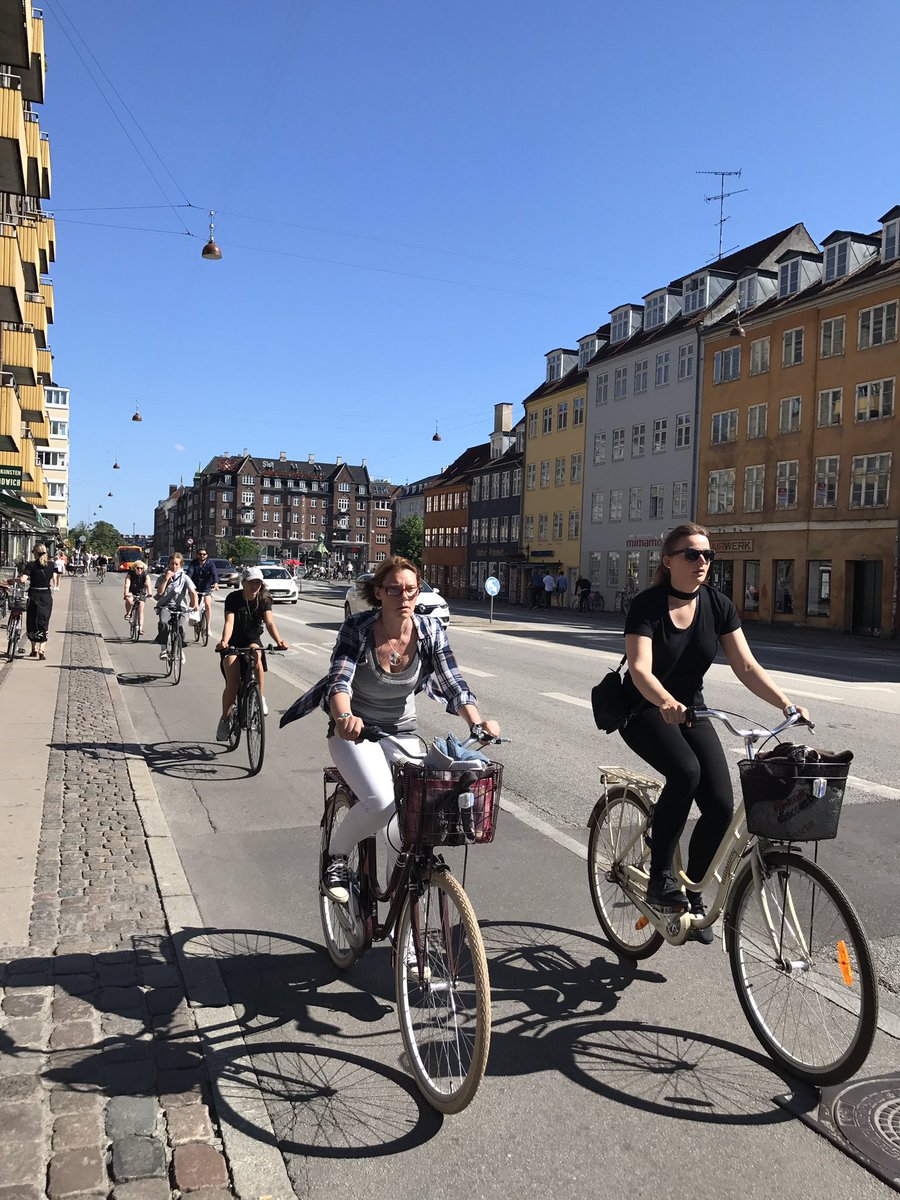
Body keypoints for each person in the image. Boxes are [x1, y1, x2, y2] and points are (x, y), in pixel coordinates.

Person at [620, 522, 810, 942]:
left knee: (722, 807)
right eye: (692, 554)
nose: (702, 561)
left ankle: (692, 892)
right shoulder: (647, 605)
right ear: (668, 561)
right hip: (645, 709)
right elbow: (639, 668)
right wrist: (663, 700)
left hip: (692, 710)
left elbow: (746, 666)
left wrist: (785, 704)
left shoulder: (718, 605)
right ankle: (660, 879)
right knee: (686, 773)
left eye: (707, 555)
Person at [279, 555, 499, 903]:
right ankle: (336, 857)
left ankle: (403, 928)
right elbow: (340, 681)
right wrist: (344, 718)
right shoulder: (359, 629)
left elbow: (454, 682)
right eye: (394, 590)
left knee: (415, 821)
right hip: (356, 733)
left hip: (403, 734)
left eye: (411, 590)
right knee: (381, 802)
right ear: (378, 592)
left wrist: (477, 720)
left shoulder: (429, 631)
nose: (405, 597)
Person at [214, 566, 288, 738]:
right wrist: (224, 641)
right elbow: (229, 622)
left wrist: (279, 641)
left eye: (258, 583)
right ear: (244, 583)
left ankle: (259, 697)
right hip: (232, 642)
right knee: (232, 684)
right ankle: (225, 718)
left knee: (256, 655)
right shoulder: (233, 598)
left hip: (252, 640)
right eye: (252, 582)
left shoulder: (264, 599)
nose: (255, 586)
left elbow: (269, 623)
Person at [154, 553, 199, 663]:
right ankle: (164, 649)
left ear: (181, 565)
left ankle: (179, 650)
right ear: (168, 564)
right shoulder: (162, 577)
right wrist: (166, 578)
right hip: (166, 605)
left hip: (180, 607)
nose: (174, 566)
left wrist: (195, 604)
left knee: (181, 628)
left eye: (177, 564)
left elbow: (193, 592)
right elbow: (159, 593)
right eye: (172, 564)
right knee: (163, 623)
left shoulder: (185, 577)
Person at [19, 542, 55, 659]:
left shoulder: (31, 565)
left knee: (32, 621)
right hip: (46, 596)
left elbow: (23, 580)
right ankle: (41, 650)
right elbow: (53, 579)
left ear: (35, 552)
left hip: (34, 595)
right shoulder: (51, 565)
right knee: (43, 622)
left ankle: (33, 649)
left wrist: (17, 579)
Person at [186, 548, 219, 632]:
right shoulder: (194, 563)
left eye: (204, 554)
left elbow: (214, 573)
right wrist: (188, 585)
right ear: (197, 555)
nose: (202, 556)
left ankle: (208, 627)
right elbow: (189, 574)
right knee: (193, 602)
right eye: (200, 554)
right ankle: (192, 618)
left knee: (208, 604)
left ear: (207, 555)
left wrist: (215, 583)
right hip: (195, 587)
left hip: (206, 588)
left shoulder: (210, 564)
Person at [123, 560, 151, 633]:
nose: (140, 570)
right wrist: (126, 593)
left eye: (141, 568)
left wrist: (149, 593)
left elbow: (148, 584)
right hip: (131, 591)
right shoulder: (130, 574)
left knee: (141, 609)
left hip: (141, 593)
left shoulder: (145, 574)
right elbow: (127, 584)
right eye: (138, 568)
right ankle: (128, 613)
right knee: (129, 600)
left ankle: (140, 628)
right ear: (134, 568)